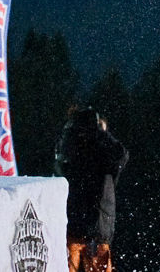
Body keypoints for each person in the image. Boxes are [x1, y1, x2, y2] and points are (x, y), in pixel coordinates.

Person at [55, 106, 128, 272]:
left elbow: (120, 157)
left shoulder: (78, 145)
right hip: (89, 223)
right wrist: (101, 133)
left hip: (86, 223)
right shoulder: (75, 144)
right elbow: (121, 156)